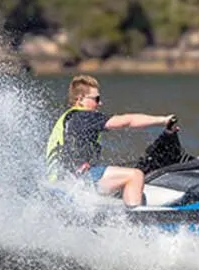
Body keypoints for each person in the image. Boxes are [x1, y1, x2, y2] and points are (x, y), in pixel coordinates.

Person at [45, 74, 175, 207]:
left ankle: (126, 209)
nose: (100, 103)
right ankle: (136, 223)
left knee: (125, 175)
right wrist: (163, 120)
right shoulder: (83, 116)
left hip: (65, 181)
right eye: (96, 99)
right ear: (80, 99)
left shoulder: (70, 117)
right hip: (77, 180)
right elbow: (128, 121)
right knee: (135, 175)